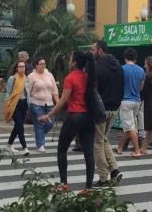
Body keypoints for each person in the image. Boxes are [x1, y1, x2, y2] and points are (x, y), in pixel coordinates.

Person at [39, 51, 96, 191]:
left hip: (75, 116)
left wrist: (49, 115)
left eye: (70, 59)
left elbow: (63, 100)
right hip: (89, 117)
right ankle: (88, 188)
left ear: (75, 62)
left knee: (62, 150)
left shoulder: (70, 78)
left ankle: (64, 184)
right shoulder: (89, 76)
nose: (69, 61)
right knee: (89, 152)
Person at [91, 39, 124, 185]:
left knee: (97, 143)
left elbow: (93, 91)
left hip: (100, 109)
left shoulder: (97, 67)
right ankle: (114, 170)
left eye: (93, 49)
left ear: (100, 50)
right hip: (114, 108)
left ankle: (103, 177)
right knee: (103, 139)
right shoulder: (119, 67)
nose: (92, 52)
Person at [117, 48, 145, 159]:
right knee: (129, 126)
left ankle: (137, 150)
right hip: (137, 100)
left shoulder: (122, 69)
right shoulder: (141, 70)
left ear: (125, 58)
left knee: (130, 127)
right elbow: (141, 87)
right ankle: (120, 147)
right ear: (135, 58)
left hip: (125, 100)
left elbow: (118, 85)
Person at [26, 56, 58, 152]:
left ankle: (38, 133)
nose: (43, 65)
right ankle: (41, 145)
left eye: (44, 63)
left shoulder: (49, 75)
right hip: (36, 103)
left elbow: (54, 89)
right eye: (41, 64)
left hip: (49, 103)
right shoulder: (31, 76)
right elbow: (27, 91)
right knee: (39, 123)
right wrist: (28, 104)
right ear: (36, 65)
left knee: (50, 123)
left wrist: (58, 102)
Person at [4, 60, 30, 154]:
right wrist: (7, 105)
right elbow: (8, 92)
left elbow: (28, 93)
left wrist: (29, 104)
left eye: (23, 66)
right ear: (16, 68)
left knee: (17, 126)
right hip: (14, 104)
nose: (22, 68)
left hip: (24, 104)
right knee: (20, 125)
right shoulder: (12, 78)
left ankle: (8, 145)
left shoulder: (27, 79)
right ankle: (25, 147)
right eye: (20, 66)